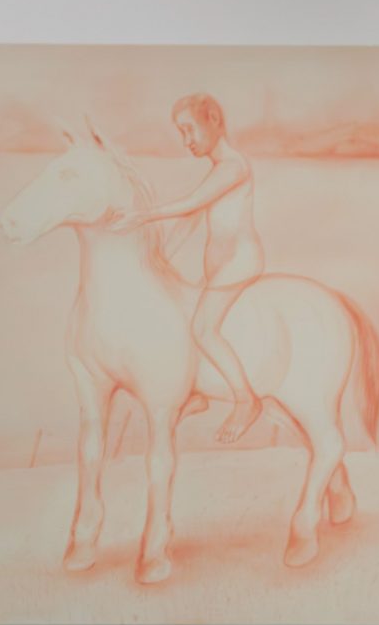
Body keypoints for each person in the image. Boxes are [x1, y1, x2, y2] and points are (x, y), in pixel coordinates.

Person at [110, 92, 266, 442]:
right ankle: (196, 393)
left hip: (240, 263)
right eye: (181, 133)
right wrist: (156, 258)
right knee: (182, 317)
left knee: (204, 330)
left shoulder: (234, 167)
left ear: (214, 120)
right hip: (220, 269)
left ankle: (245, 399)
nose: (186, 141)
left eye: (189, 130)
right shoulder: (218, 172)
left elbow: (190, 203)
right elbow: (191, 219)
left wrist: (142, 216)